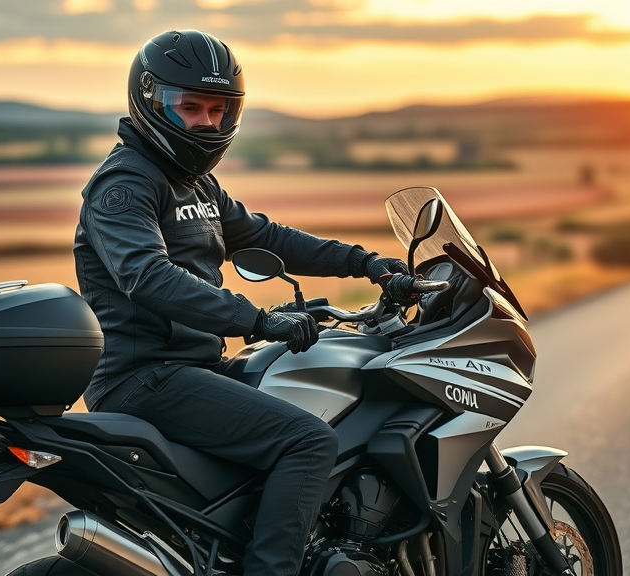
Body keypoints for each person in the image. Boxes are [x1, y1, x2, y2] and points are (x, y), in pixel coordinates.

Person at [72, 29, 417, 576]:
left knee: (315, 394)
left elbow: (267, 237)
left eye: (219, 109)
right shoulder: (125, 184)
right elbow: (147, 276)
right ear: (148, 100)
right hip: (143, 378)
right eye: (190, 107)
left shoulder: (195, 183)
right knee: (308, 441)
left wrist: (366, 263)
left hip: (194, 369)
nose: (207, 123)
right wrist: (258, 320)